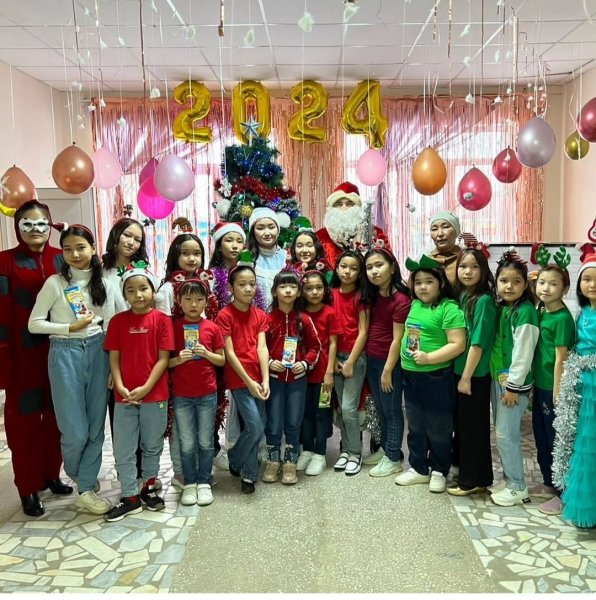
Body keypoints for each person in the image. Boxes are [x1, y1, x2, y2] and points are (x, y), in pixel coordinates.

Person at [28, 224, 119, 515]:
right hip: (64, 353)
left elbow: (112, 326)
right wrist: (69, 327)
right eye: (68, 249)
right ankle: (78, 473)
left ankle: (86, 488)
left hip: (99, 351)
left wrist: (112, 368)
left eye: (80, 248)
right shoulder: (55, 283)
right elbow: (34, 323)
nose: (75, 254)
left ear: (93, 249)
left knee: (96, 428)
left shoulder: (105, 283)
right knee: (75, 432)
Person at [0, 200, 71, 517]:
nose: (35, 229)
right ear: (17, 227)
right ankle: (27, 487)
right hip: (21, 357)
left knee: (57, 419)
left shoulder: (62, 258)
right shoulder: (4, 262)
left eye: (41, 223)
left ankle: (51, 474)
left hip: (60, 354)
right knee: (24, 425)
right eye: (27, 223)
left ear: (50, 225)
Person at [103, 262, 174, 522]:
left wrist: (146, 387)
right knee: (123, 447)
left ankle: (148, 488)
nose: (138, 295)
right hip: (124, 397)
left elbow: (163, 359)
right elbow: (114, 358)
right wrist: (120, 385)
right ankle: (130, 496)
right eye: (131, 290)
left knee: (152, 445)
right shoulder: (118, 322)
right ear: (124, 294)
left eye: (143, 288)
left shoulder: (162, 321)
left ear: (153, 291)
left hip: (155, 395)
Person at [396, 256, 466, 493]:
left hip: (436, 376)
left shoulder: (449, 308)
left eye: (429, 282)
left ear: (441, 284)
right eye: (418, 283)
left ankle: (439, 470)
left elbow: (458, 344)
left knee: (438, 426)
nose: (423, 287)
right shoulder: (415, 304)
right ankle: (419, 467)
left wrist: (429, 358)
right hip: (410, 375)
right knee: (416, 425)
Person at [155, 232, 206, 490]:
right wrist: (173, 360)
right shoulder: (167, 289)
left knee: (200, 425)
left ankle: (197, 469)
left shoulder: (205, 283)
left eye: (196, 253)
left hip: (202, 365)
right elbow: (162, 330)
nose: (191, 258)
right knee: (178, 423)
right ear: (175, 255)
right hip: (176, 364)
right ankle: (180, 471)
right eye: (185, 253)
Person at [215, 256, 270, 494]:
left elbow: (262, 348)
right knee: (255, 426)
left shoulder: (259, 315)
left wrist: (265, 379)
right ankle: (241, 465)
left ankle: (243, 468)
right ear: (230, 288)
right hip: (240, 379)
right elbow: (229, 353)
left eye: (252, 284)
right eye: (242, 284)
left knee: (260, 424)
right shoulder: (225, 315)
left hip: (258, 378)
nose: (248, 289)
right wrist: (249, 381)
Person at [489, 250, 539, 507]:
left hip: (512, 386)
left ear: (525, 284)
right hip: (498, 380)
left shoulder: (525, 312)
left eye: (516, 281)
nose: (509, 286)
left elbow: (523, 354)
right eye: (504, 281)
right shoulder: (504, 308)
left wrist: (513, 387)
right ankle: (510, 480)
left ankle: (518, 486)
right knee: (501, 433)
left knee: (505, 435)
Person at [102, 217, 150, 486]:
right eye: (127, 235)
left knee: (143, 411)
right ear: (116, 235)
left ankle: (143, 471)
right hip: (111, 350)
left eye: (138, 239)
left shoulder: (143, 273)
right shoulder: (101, 271)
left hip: (140, 351)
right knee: (120, 413)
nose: (132, 242)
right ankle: (126, 471)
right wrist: (113, 365)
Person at [170, 278, 225, 507]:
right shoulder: (173, 327)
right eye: (188, 299)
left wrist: (207, 354)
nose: (194, 304)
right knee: (187, 442)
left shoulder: (212, 327)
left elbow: (221, 360)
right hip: (181, 395)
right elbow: (164, 362)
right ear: (179, 301)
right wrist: (178, 359)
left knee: (205, 441)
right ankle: (189, 483)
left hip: (207, 394)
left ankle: (204, 481)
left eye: (199, 299)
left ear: (206, 302)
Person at [262, 270, 321, 485]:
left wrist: (304, 363)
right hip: (274, 380)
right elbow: (258, 348)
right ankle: (272, 460)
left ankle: (290, 461)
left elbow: (315, 347)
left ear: (299, 292)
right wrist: (270, 362)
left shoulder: (304, 319)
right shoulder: (267, 319)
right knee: (274, 420)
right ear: (274, 291)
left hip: (297, 380)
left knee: (294, 421)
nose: (288, 290)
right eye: (283, 286)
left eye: (293, 286)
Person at [447, 247, 497, 496]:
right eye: (463, 266)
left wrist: (466, 377)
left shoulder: (484, 300)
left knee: (472, 430)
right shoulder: (461, 296)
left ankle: (472, 480)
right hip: (459, 372)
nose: (468, 271)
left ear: (483, 270)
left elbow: (478, 343)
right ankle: (470, 474)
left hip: (473, 376)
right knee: (462, 426)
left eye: (474, 267)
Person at [552, 253, 596, 528]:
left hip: (593, 384)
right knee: (581, 441)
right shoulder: (583, 313)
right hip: (580, 383)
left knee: (590, 441)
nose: (592, 285)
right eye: (587, 279)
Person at [361, 246, 411, 477]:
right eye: (369, 267)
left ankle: (393, 457)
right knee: (381, 408)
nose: (374, 271)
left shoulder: (401, 299)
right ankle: (385, 449)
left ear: (392, 267)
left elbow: (398, 339)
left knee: (392, 410)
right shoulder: (372, 296)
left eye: (379, 265)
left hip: (389, 363)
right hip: (372, 359)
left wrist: (388, 369)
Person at [530, 253, 574, 515]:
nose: (546, 288)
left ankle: (562, 492)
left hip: (552, 387)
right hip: (540, 385)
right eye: (542, 283)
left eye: (553, 284)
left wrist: (557, 391)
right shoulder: (542, 310)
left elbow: (561, 359)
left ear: (565, 289)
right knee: (541, 435)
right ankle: (548, 482)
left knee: (556, 439)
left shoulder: (562, 319)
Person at [207, 221, 247, 471]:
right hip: (217, 343)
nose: (234, 246)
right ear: (219, 245)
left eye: (239, 241)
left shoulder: (248, 272)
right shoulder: (212, 276)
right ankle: (213, 448)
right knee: (216, 397)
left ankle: (244, 446)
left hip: (244, 342)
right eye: (228, 240)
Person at [297, 267, 340, 476]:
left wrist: (329, 372)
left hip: (324, 374)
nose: (314, 292)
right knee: (305, 413)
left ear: (325, 290)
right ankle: (307, 450)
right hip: (302, 374)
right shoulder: (299, 314)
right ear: (302, 291)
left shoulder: (330, 313)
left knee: (322, 413)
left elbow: (333, 343)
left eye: (319, 288)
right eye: (309, 288)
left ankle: (320, 454)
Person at [330, 250, 369, 476]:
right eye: (343, 266)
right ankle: (345, 449)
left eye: (353, 268)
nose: (347, 271)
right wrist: (334, 359)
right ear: (336, 269)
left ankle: (355, 453)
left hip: (355, 357)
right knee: (340, 407)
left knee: (349, 408)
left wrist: (351, 361)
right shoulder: (330, 294)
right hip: (335, 358)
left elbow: (363, 332)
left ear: (359, 272)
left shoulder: (360, 297)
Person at [316, 182, 390, 270]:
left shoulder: (375, 233)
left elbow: (388, 264)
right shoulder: (319, 236)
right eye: (338, 204)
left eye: (349, 204)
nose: (344, 208)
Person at [248, 207, 286, 309]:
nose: (267, 233)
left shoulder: (286, 257)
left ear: (278, 230)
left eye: (271, 227)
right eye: (260, 228)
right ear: (253, 231)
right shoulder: (247, 258)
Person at [428, 211, 463, 286]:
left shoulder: (466, 257)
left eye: (445, 227)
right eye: (434, 229)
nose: (440, 234)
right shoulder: (425, 260)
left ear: (456, 231)